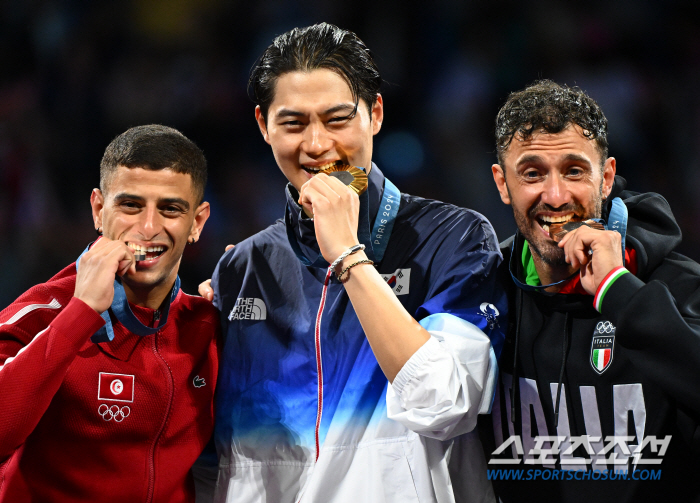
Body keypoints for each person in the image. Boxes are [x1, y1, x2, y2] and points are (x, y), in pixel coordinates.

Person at [197, 23, 506, 503]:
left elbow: (447, 405)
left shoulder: (455, 240)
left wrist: (348, 257)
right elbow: (215, 458)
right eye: (294, 123)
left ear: (375, 114)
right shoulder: (242, 270)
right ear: (263, 126)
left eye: (337, 119)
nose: (317, 145)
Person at [485, 80, 700, 501]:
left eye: (574, 170)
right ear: (502, 183)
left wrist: (620, 292)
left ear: (607, 178)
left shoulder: (678, 286)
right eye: (532, 173)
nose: (556, 195)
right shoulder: (484, 293)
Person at [0, 125, 219, 502]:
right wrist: (80, 312)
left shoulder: (209, 327)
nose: (148, 228)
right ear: (99, 210)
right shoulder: (42, 313)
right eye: (130, 205)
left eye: (170, 208)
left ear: (196, 223)